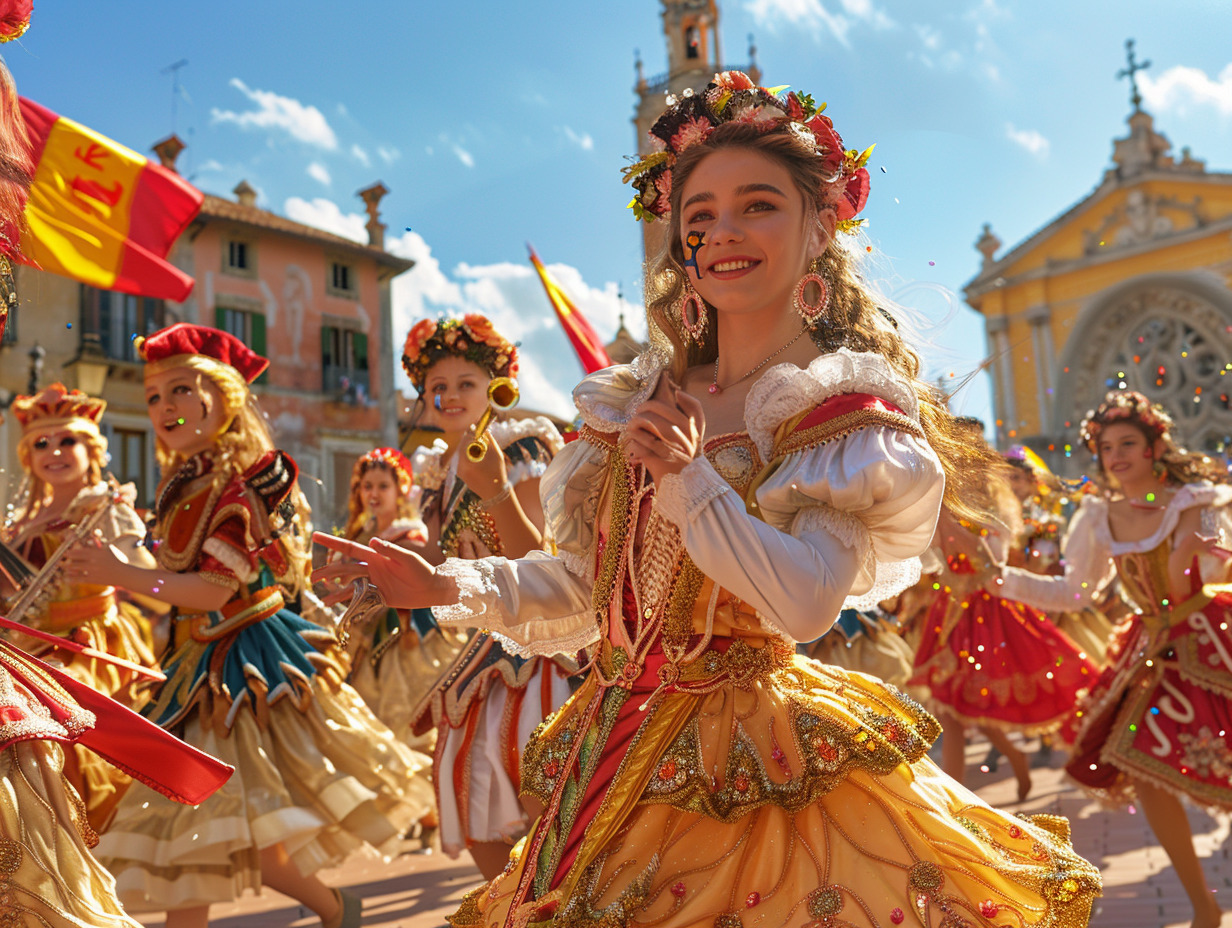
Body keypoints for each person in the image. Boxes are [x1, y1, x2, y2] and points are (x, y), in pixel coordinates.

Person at [316, 71, 1100, 927]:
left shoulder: (832, 414)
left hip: (752, 768)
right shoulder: (634, 400)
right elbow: (592, 585)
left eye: (757, 205)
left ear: (822, 227)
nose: (722, 233)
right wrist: (448, 590)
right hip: (614, 757)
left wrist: (693, 483)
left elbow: (803, 604)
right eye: (699, 218)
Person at [63, 324, 434, 928]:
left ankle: (338, 908)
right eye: (154, 397)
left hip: (252, 673)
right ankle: (339, 910)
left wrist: (119, 572)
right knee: (201, 831)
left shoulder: (246, 485)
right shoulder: (186, 485)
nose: (163, 408)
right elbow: (176, 596)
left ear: (224, 397)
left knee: (219, 829)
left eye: (180, 390)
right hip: (196, 668)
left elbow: (211, 590)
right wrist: (117, 560)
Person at [997, 390, 1232, 928]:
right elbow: (1075, 592)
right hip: (1150, 650)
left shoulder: (1197, 500)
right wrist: (1004, 581)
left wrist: (1190, 552)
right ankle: (1202, 904)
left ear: (1155, 448)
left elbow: (1212, 575)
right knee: (1142, 767)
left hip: (1210, 637)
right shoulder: (1098, 515)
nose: (1117, 455)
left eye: (1129, 443)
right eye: (1106, 447)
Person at [396, 314, 575, 880]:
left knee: (547, 797)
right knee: (466, 789)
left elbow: (539, 561)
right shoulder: (436, 473)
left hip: (542, 645)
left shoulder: (517, 446)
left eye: (465, 384)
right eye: (437, 387)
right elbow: (436, 570)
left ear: (494, 389)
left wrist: (496, 489)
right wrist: (375, 575)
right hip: (483, 646)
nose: (449, 396)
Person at [2, 384, 161, 831]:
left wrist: (116, 567)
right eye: (42, 443)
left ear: (92, 449)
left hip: (89, 648)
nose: (54, 451)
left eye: (67, 440)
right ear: (27, 456)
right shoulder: (14, 526)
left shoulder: (106, 509)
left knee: (49, 736)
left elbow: (151, 585)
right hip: (24, 651)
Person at [337, 446, 463, 754]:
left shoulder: (410, 537)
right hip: (365, 641)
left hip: (408, 635)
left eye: (383, 486)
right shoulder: (358, 535)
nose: (374, 493)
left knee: (406, 714)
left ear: (400, 489)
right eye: (367, 486)